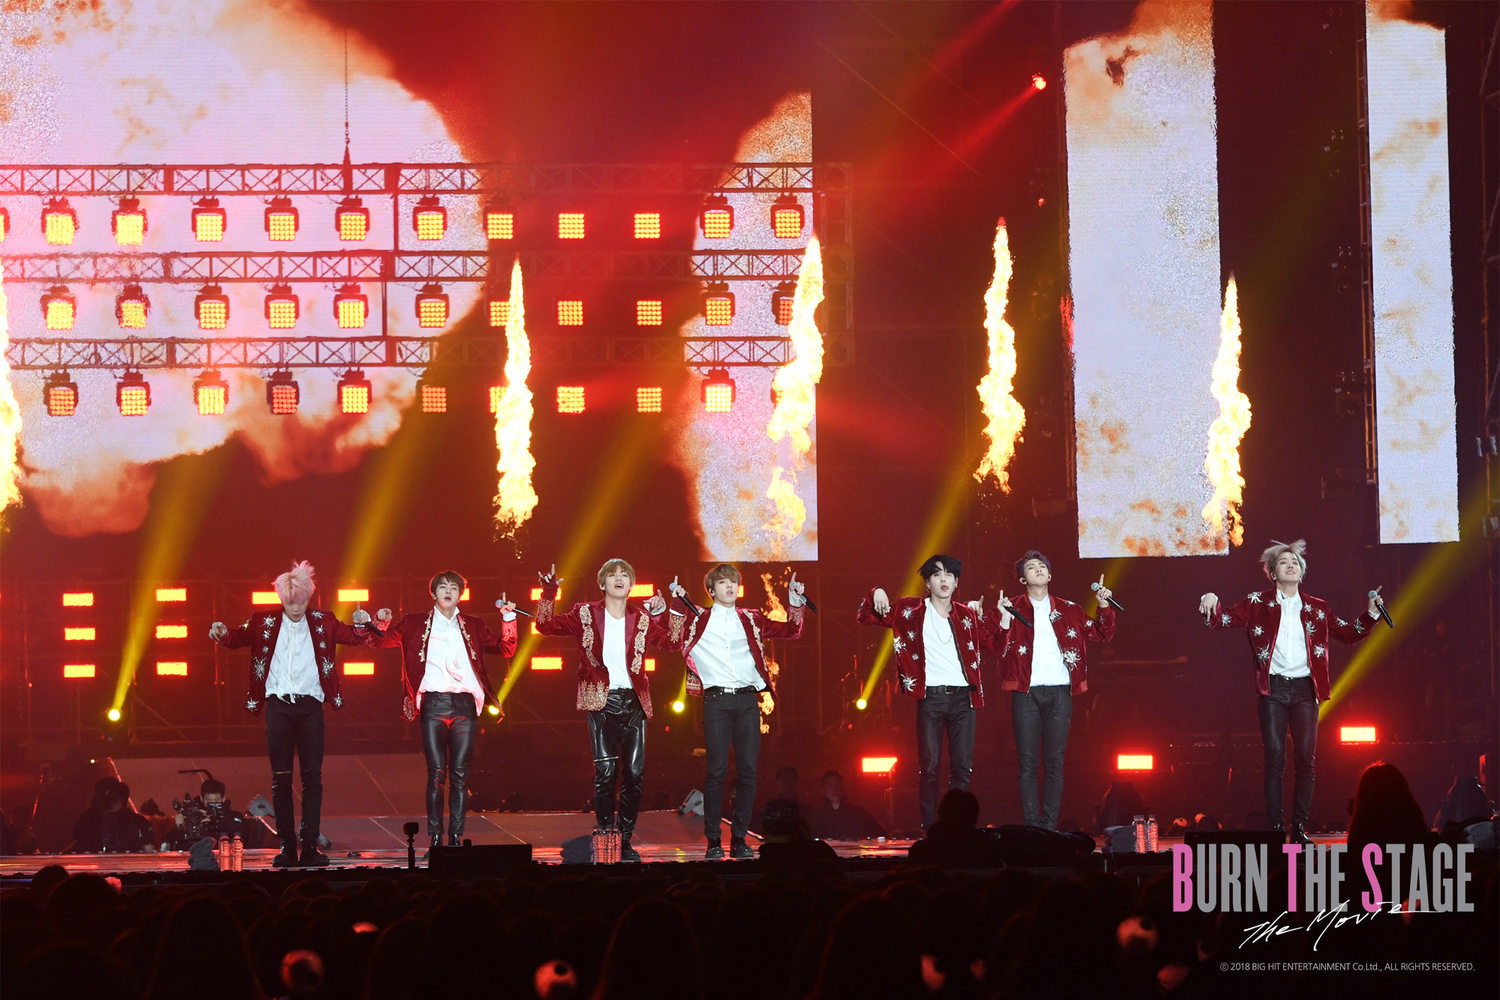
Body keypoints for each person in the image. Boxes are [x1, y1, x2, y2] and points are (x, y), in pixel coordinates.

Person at [1199, 538, 1385, 843]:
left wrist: (1371, 614)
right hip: (1273, 689)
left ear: (1302, 572)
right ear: (1272, 573)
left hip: (1305, 691)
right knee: (1275, 758)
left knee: (1305, 760)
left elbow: (1349, 633)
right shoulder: (1257, 603)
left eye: (1295, 562)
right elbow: (1223, 619)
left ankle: (1298, 827)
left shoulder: (1318, 608)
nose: (1290, 566)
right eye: (1284, 562)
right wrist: (1211, 598)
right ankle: (1276, 828)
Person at [210, 560, 373, 867]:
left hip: (310, 708)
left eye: (301, 602)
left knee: (312, 778)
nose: (295, 608)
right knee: (281, 779)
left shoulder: (324, 620)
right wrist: (220, 632)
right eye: (290, 602)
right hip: (278, 708)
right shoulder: (263, 621)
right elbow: (235, 637)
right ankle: (287, 846)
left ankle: (310, 846)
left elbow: (355, 636)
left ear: (309, 597)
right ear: (281, 599)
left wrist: (365, 623)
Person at [534, 558, 675, 862]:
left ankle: (623, 839)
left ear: (632, 584)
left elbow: (671, 642)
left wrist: (667, 612)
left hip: (634, 702)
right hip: (601, 700)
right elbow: (545, 625)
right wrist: (549, 593)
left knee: (635, 774)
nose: (619, 578)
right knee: (606, 773)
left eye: (625, 574)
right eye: (612, 575)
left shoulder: (641, 617)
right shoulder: (585, 613)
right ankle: (606, 836)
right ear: (602, 583)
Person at [856, 555, 1007, 831]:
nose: (943, 579)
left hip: (964, 699)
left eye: (949, 574)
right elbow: (864, 616)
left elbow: (997, 649)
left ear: (956, 582)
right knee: (929, 768)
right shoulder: (910, 609)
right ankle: (930, 828)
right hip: (931, 698)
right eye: (937, 574)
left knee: (961, 768)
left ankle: (958, 827)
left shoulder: (967, 615)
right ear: (927, 583)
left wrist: (1004, 620)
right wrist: (876, 591)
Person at [373, 570, 518, 852]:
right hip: (434, 703)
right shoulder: (414, 622)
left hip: (465, 704)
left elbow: (505, 649)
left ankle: (456, 839)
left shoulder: (474, 625)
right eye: (443, 587)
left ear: (460, 594)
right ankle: (436, 839)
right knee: (436, 774)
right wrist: (381, 621)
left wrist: (508, 619)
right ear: (433, 593)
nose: (448, 591)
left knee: (460, 775)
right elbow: (380, 640)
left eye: (454, 587)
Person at [667, 565, 805, 859]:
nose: (730, 586)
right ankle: (714, 840)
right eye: (723, 582)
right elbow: (671, 638)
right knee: (716, 772)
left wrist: (794, 600)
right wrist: (677, 603)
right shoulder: (697, 618)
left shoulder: (751, 618)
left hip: (746, 702)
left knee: (748, 773)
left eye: (734, 582)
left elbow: (791, 631)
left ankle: (740, 838)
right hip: (716, 701)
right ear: (711, 590)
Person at [997, 550, 1115, 831]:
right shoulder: (1010, 607)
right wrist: (1000, 618)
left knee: (1055, 762)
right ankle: (1031, 826)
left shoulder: (1069, 609)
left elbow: (1102, 633)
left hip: (1060, 693)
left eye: (1042, 566)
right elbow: (990, 641)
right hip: (1025, 693)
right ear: (1022, 579)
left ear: (1049, 575)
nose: (1038, 569)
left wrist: (1104, 606)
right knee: (1027, 763)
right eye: (1031, 567)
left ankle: (1048, 826)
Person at [806, 770, 886, 840]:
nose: (834, 789)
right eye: (829, 786)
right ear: (823, 790)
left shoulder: (859, 814)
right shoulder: (815, 817)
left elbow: (880, 835)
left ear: (843, 788)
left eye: (837, 785)